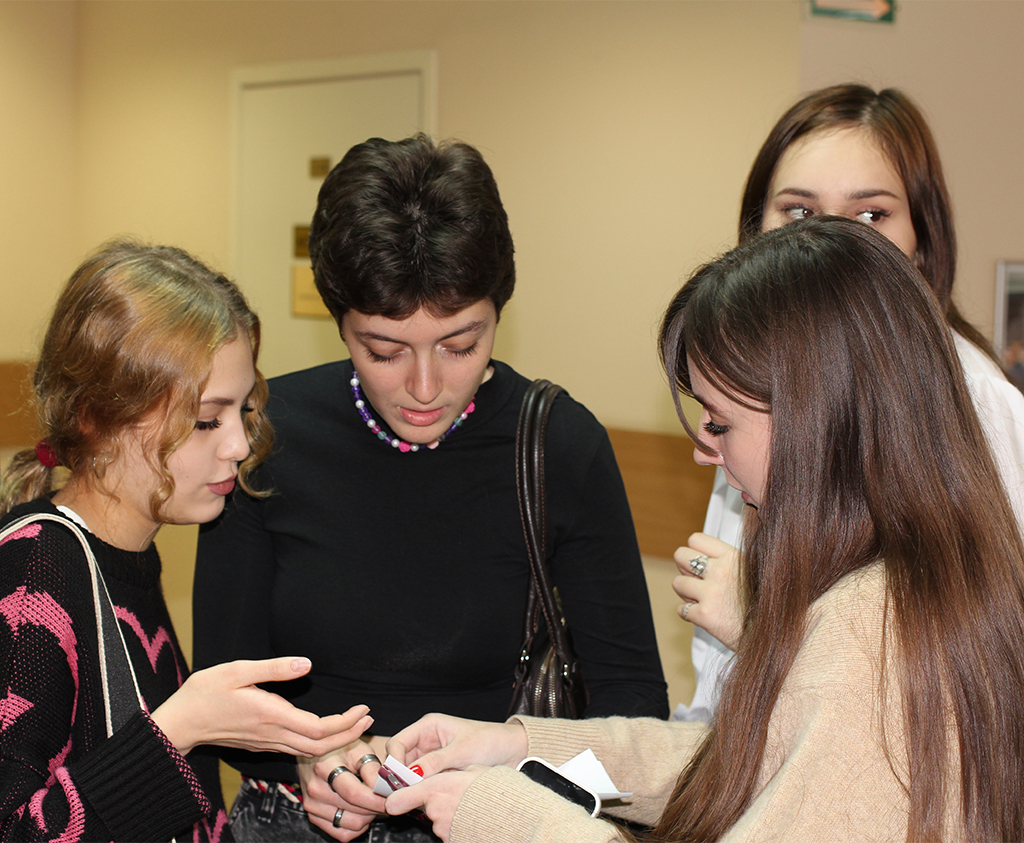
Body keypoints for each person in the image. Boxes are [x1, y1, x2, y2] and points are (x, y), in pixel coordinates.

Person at [380, 216, 1024, 843]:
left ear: (814, 420)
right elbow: (744, 763)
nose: (703, 451)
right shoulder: (928, 578)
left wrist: (507, 816)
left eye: (719, 423)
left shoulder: (864, 638)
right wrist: (522, 746)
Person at [193, 134, 668, 841]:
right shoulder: (262, 436)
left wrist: (511, 782)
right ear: (341, 324)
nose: (424, 387)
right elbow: (220, 690)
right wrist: (309, 759)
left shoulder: (558, 446)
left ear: (499, 312)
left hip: (500, 820)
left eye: (461, 345)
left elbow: (634, 711)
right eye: (384, 351)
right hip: (297, 821)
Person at [0, 241, 374, 843]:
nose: (239, 445)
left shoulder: (125, 554)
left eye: (243, 410)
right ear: (96, 416)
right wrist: (180, 729)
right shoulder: (35, 570)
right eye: (205, 420)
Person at [675, 83, 1024, 722]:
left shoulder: (980, 407)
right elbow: (713, 696)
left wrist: (761, 628)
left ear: (922, 240)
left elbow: (979, 683)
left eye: (869, 215)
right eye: (799, 211)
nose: (828, 238)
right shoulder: (750, 397)